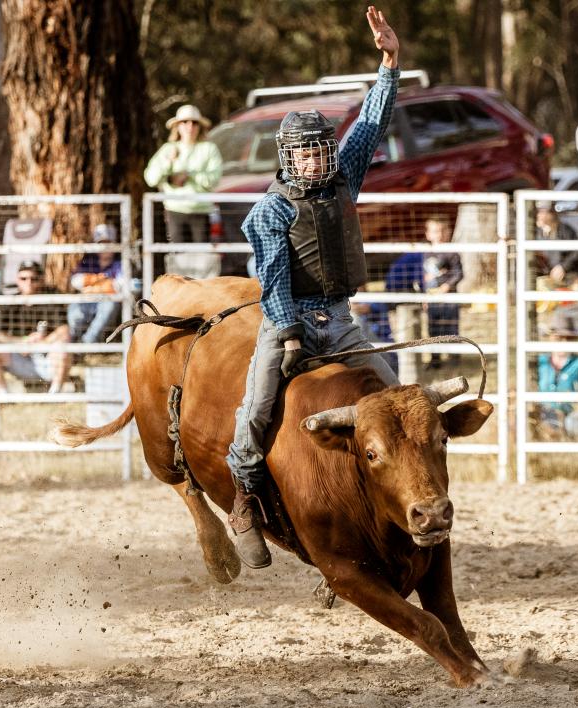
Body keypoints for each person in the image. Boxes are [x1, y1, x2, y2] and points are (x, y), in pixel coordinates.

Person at [225, 6, 403, 570]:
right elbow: (274, 279)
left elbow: (370, 125)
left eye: (324, 148)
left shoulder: (342, 176)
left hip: (339, 315)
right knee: (258, 405)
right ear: (288, 156)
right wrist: (292, 334)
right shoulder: (269, 210)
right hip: (289, 319)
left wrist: (389, 63)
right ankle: (245, 497)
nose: (319, 157)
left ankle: (389, 495)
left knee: (391, 399)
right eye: (309, 150)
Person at [144, 104, 224, 243]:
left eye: (194, 123)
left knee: (201, 258)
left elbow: (214, 179)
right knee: (178, 258)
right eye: (185, 122)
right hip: (175, 211)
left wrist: (190, 175)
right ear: (177, 126)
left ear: (200, 126)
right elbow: (151, 179)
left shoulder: (209, 149)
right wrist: (168, 162)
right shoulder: (168, 149)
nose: (190, 126)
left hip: (201, 212)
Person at [0, 260, 72, 394]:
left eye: (33, 279)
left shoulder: (50, 300)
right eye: (24, 278)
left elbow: (64, 330)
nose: (28, 283)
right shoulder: (11, 303)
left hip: (46, 359)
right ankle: (3, 395)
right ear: (17, 279)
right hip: (20, 358)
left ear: (41, 280)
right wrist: (22, 341)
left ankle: (55, 393)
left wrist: (43, 342)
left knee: (62, 346)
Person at [535, 311, 578, 441]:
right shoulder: (541, 362)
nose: (563, 342)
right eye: (558, 338)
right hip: (543, 412)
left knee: (574, 423)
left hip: (570, 414)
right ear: (551, 339)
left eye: (568, 338)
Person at [66, 223, 123, 345]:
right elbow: (76, 281)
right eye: (101, 243)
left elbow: (119, 286)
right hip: (88, 300)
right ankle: (73, 342)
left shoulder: (120, 264)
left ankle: (86, 345)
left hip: (106, 301)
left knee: (110, 306)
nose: (104, 247)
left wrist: (90, 285)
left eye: (108, 243)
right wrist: (104, 282)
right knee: (74, 309)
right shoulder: (88, 261)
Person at [421, 214, 463, 369]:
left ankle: (454, 358)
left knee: (451, 327)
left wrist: (447, 286)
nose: (438, 235)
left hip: (449, 298)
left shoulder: (451, 252)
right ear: (428, 234)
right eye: (434, 231)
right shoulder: (426, 253)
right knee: (433, 328)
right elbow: (424, 278)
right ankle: (435, 360)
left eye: (441, 231)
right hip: (432, 298)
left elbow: (459, 273)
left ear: (448, 233)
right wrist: (425, 297)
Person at [532, 200, 578, 288]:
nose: (540, 215)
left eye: (543, 212)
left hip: (568, 273)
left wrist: (563, 267)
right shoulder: (535, 232)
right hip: (546, 274)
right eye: (539, 212)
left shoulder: (565, 230)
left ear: (552, 213)